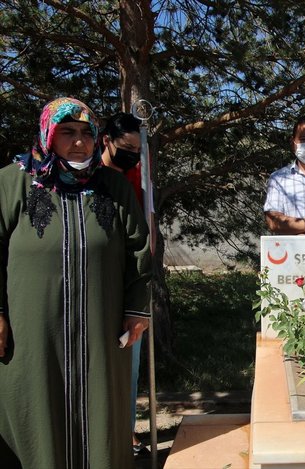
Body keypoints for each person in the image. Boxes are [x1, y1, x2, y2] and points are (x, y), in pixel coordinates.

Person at [0, 97, 151, 468]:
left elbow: (139, 251)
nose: (80, 142)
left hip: (99, 332)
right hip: (31, 333)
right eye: (67, 132)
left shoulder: (112, 188)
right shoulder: (14, 182)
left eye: (87, 132)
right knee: (34, 409)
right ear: (48, 134)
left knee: (101, 414)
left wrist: (137, 309)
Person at [101, 111, 150, 458]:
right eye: (126, 147)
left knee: (129, 364)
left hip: (127, 284)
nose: (132, 155)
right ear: (106, 141)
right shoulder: (90, 176)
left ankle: (127, 431)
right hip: (98, 281)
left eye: (137, 149)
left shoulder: (135, 176)